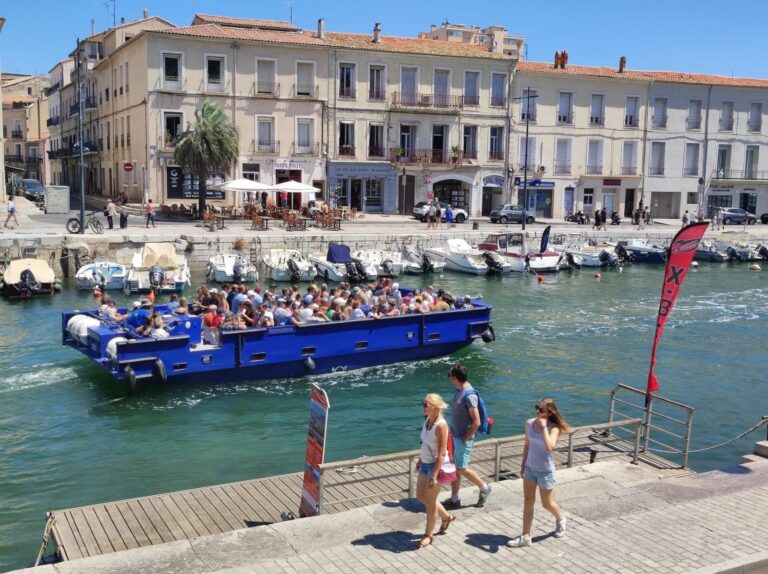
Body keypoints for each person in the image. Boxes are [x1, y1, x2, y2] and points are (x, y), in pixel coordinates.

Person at [507, 398, 572, 548]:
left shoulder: (553, 428)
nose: (537, 411)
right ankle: (525, 536)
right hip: (530, 468)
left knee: (546, 503)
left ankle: (560, 519)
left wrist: (543, 428)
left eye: (541, 409)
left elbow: (550, 447)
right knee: (528, 502)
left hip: (545, 471)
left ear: (550, 412)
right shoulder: (529, 423)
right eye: (537, 407)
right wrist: (522, 465)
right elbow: (527, 445)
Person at [443, 363, 492, 510]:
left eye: (450, 376)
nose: (449, 379)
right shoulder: (459, 390)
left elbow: (476, 421)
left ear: (455, 378)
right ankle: (455, 498)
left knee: (461, 469)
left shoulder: (469, 395)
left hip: (463, 438)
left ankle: (484, 487)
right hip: (455, 435)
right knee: (456, 468)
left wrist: (464, 439)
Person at [416, 393, 455, 548]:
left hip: (435, 467)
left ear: (435, 408)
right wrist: (420, 460)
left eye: (426, 405)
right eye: (423, 403)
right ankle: (446, 517)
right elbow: (425, 443)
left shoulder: (441, 426)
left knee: (430, 503)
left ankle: (429, 535)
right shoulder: (427, 421)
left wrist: (434, 475)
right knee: (421, 497)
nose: (423, 407)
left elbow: (442, 453)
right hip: (425, 463)